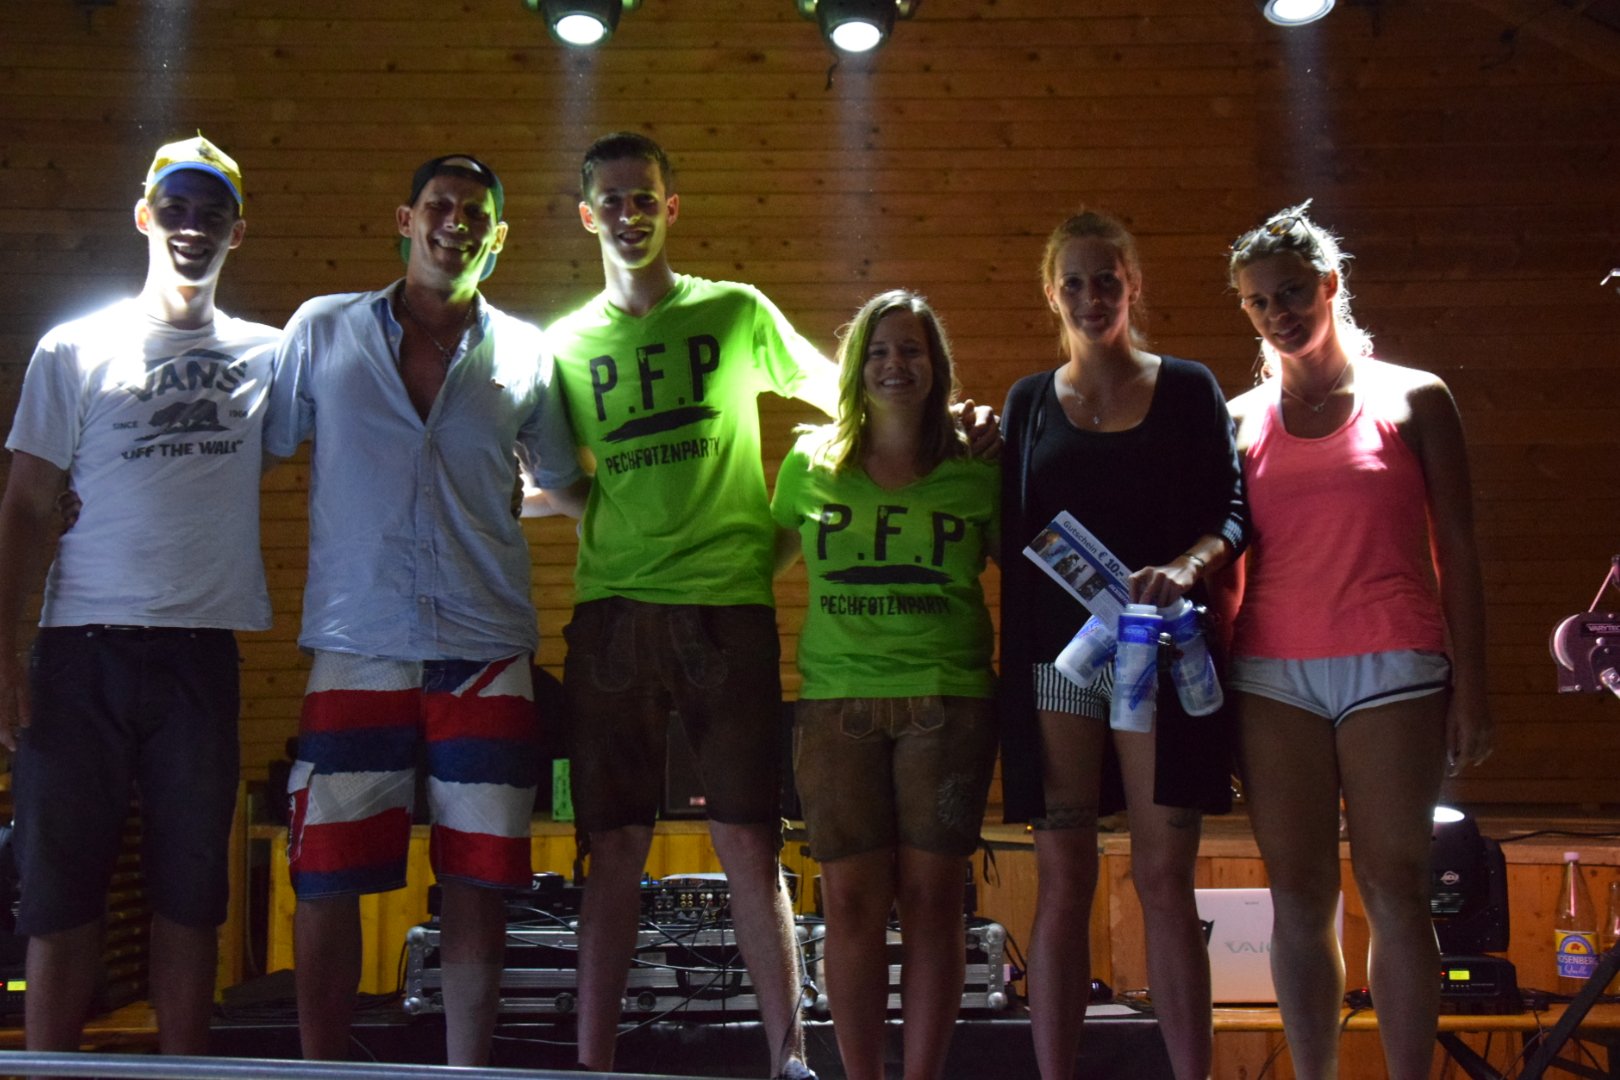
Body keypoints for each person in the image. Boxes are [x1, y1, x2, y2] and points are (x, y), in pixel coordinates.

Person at [263, 154, 586, 1067]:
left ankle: (466, 1070)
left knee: (479, 877)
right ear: (405, 218)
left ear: (498, 236)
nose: (457, 222)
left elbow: (566, 484)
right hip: (355, 641)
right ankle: (323, 1068)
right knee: (325, 876)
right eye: (441, 205)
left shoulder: (526, 350)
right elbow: (256, 444)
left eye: (476, 212)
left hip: (486, 646)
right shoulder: (323, 329)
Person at [544, 131, 834, 1079]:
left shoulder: (735, 311)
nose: (629, 215)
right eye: (612, 201)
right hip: (613, 615)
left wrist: (777, 533)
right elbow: (552, 480)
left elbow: (841, 401)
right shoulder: (565, 344)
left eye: (645, 199)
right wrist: (614, 517)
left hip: (725, 610)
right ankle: (593, 1066)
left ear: (671, 208)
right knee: (613, 846)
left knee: (749, 838)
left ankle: (789, 1061)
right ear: (588, 216)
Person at [0, 134, 276, 1057]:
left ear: (238, 231)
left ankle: (182, 1077)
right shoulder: (74, 346)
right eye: (176, 207)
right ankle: (48, 1071)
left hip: (200, 650)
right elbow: (27, 502)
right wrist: (4, 654)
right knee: (60, 894)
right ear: (144, 217)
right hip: (79, 648)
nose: (193, 226)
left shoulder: (272, 356)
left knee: (191, 895)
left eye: (213, 212)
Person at [1224, 203, 1491, 1080]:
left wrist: (1473, 688)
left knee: (1395, 886)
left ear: (1331, 285)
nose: (1279, 312)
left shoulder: (1414, 398)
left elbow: (1458, 547)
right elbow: (1221, 563)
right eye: (1260, 301)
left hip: (1395, 664)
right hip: (1272, 675)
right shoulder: (1237, 419)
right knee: (1299, 896)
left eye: (1293, 292)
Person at [998, 211, 1249, 1080]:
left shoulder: (1187, 388)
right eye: (1074, 282)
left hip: (1161, 654)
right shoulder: (1028, 403)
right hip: (1059, 664)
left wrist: (1186, 567)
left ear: (1133, 284)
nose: (1091, 296)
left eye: (1106, 279)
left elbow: (1233, 514)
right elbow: (1008, 534)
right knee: (1063, 877)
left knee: (1163, 879)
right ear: (1051, 293)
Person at [771, 290, 998, 1080]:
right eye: (876, 351)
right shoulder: (810, 461)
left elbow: (1040, 567)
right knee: (850, 902)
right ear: (854, 367)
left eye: (910, 349)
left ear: (935, 366)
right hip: (836, 704)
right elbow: (756, 563)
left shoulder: (979, 467)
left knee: (934, 901)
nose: (893, 364)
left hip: (949, 701)